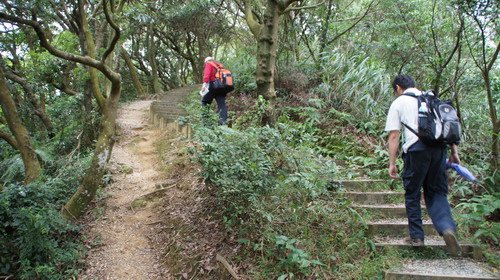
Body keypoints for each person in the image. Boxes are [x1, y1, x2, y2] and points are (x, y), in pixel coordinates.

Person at [385, 74, 461, 256]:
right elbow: (447, 125)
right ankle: (447, 228)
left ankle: (417, 237)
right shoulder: (431, 98)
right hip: (438, 150)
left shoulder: (399, 102)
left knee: (412, 193)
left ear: (398, 88)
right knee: (437, 192)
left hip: (415, 151)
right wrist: (454, 153)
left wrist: (392, 163)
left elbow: (394, 136)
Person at [200, 56, 228, 125]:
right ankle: (223, 122)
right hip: (222, 87)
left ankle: (205, 121)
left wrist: (204, 86)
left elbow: (207, 76)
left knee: (205, 102)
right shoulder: (219, 65)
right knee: (222, 104)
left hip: (213, 85)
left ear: (206, 61)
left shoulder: (209, 64)